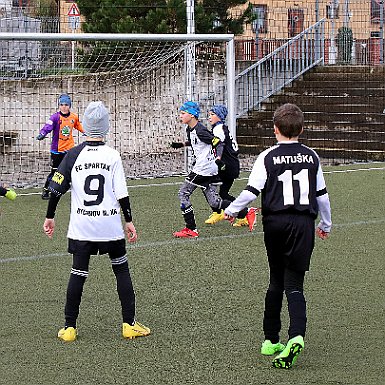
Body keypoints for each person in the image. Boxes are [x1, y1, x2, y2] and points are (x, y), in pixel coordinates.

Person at [224, 103, 332, 369]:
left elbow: (252, 191)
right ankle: (295, 336)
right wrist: (326, 224)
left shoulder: (267, 156)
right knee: (295, 285)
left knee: (275, 280)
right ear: (302, 129)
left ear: (275, 130)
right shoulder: (311, 156)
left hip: (275, 224)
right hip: (303, 224)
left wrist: (231, 209)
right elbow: (322, 196)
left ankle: (271, 340)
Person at [43, 101, 150, 342]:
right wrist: (129, 220)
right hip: (110, 226)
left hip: (82, 227)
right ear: (106, 128)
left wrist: (50, 217)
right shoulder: (112, 155)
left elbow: (56, 189)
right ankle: (128, 324)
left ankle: (69, 328)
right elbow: (122, 193)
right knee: (121, 269)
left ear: (86, 127)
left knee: (77, 273)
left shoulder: (72, 154)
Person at [171, 101, 257, 238]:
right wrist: (181, 144)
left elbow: (217, 142)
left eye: (183, 113)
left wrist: (218, 158)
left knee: (183, 194)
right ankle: (246, 211)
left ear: (192, 115)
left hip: (203, 169)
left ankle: (191, 229)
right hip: (208, 169)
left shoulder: (200, 129)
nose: (180, 116)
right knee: (214, 202)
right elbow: (198, 143)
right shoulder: (190, 129)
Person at [204, 104, 251, 227]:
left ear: (220, 116)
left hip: (226, 166)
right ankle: (244, 215)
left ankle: (218, 212)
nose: (209, 117)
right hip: (232, 165)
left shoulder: (218, 129)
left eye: (212, 114)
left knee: (206, 184)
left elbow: (218, 145)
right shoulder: (221, 128)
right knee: (223, 193)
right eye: (209, 114)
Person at [37, 94, 83, 200]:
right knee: (55, 171)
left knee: (73, 170)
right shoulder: (55, 117)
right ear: (59, 105)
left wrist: (87, 132)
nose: (64, 106)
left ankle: (76, 190)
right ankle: (46, 191)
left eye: (66, 104)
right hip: (57, 151)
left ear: (69, 105)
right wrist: (42, 133)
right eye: (61, 104)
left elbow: (78, 126)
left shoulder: (74, 117)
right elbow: (47, 127)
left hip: (69, 149)